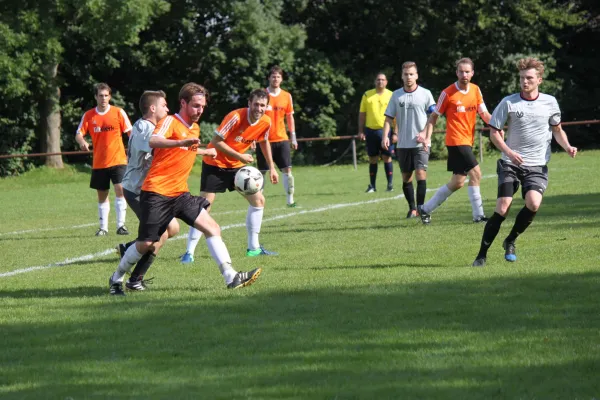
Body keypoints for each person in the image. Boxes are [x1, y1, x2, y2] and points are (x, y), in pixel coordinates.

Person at [108, 83, 260, 295]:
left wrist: (204, 151)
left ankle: (231, 276)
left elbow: (187, 148)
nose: (200, 110)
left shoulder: (194, 128)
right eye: (196, 105)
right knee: (146, 243)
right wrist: (183, 141)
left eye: (203, 106)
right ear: (183, 103)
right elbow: (154, 140)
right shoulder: (170, 121)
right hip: (156, 192)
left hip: (180, 193)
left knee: (212, 227)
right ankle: (116, 278)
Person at [472, 57, 577, 267]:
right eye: (521, 78)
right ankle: (481, 255)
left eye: (529, 78)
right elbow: (494, 133)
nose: (524, 82)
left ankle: (510, 240)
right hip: (510, 163)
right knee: (503, 207)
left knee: (533, 203)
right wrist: (509, 153)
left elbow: (557, 130)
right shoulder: (509, 102)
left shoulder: (550, 102)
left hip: (537, 165)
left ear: (539, 79)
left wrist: (567, 147)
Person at [115, 90, 217, 290]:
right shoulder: (145, 127)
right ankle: (130, 265)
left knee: (169, 229)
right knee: (165, 231)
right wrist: (194, 147)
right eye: (164, 105)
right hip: (138, 189)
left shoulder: (155, 126)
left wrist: (202, 150)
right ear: (153, 108)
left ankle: (134, 262)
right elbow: (164, 149)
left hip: (151, 188)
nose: (167, 109)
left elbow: (176, 149)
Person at [180, 89, 279, 264]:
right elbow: (216, 141)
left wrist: (271, 167)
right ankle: (189, 253)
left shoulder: (266, 122)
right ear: (249, 103)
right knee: (204, 208)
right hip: (215, 163)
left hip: (238, 168)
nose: (259, 108)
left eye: (262, 105)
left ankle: (253, 248)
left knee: (259, 201)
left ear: (267, 107)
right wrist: (241, 156)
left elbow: (264, 142)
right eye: (256, 104)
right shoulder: (236, 116)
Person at [416, 58, 499, 224]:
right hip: (455, 140)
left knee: (458, 182)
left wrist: (496, 125)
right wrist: (426, 136)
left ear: (472, 73)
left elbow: (484, 114)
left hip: (467, 140)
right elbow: (433, 117)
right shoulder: (447, 93)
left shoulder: (476, 90)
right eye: (461, 71)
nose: (464, 74)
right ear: (456, 73)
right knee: (476, 173)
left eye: (467, 71)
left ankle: (425, 209)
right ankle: (479, 216)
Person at [76, 83, 133, 236]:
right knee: (102, 194)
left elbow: (131, 133)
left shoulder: (118, 112)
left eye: (106, 95)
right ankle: (103, 228)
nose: (103, 98)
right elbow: (79, 133)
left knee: (120, 190)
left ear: (110, 96)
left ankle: (121, 226)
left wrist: (137, 150)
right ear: (96, 97)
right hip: (99, 162)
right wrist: (82, 142)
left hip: (119, 160)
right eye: (100, 95)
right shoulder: (89, 115)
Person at [382, 61, 436, 218]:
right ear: (402, 76)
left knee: (420, 173)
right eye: (406, 74)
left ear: (417, 75)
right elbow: (388, 118)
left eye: (411, 74)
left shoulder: (425, 94)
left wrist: (426, 136)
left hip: (421, 143)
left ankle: (420, 209)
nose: (409, 77)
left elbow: (433, 117)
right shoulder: (396, 95)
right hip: (403, 144)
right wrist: (385, 136)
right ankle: (412, 208)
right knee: (406, 177)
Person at [255, 65, 298, 207]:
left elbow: (290, 117)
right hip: (263, 139)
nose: (275, 79)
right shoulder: (261, 95)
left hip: (282, 139)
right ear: (269, 78)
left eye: (278, 76)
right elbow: (254, 117)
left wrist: (293, 136)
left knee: (287, 169)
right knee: (262, 171)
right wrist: (252, 137)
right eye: (273, 76)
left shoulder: (287, 96)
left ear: (282, 79)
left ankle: (290, 200)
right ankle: (259, 200)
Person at [358, 73, 395, 193]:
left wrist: (396, 133)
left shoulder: (391, 95)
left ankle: (390, 185)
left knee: (386, 157)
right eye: (378, 79)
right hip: (371, 131)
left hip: (386, 131)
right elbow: (362, 114)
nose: (380, 82)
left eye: (383, 80)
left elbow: (397, 115)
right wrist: (360, 131)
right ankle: (372, 186)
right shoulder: (367, 95)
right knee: (372, 158)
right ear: (375, 81)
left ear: (386, 82)